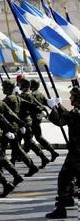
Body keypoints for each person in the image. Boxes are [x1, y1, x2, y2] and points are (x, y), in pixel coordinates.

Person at [45, 88, 80, 219]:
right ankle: (66, 203)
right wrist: (59, 106)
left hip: (76, 155)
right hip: (76, 154)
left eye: (72, 97)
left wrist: (53, 108)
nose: (70, 99)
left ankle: (61, 209)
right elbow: (67, 116)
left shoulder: (76, 113)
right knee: (69, 182)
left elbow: (60, 121)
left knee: (64, 179)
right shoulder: (76, 113)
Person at [30, 79, 59, 162]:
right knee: (37, 138)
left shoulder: (32, 95)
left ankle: (21, 155)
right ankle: (52, 152)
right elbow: (46, 103)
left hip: (32, 119)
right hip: (38, 118)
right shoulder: (40, 94)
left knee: (30, 139)